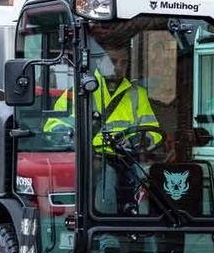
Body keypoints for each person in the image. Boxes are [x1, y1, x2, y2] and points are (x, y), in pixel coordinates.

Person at [44, 45, 162, 215]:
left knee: (154, 177)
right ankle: (107, 235)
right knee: (107, 175)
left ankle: (149, 230)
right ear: (99, 61)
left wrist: (138, 140)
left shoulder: (137, 94)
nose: (119, 67)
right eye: (113, 61)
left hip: (131, 158)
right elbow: (53, 125)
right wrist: (72, 138)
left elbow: (153, 131)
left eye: (124, 62)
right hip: (95, 159)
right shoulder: (81, 92)